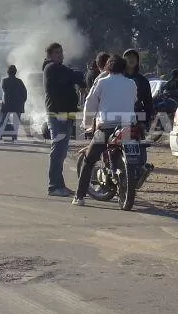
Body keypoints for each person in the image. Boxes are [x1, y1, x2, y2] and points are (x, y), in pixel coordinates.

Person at [73, 56, 139, 206]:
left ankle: (79, 196)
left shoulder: (102, 82)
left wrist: (87, 124)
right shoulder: (131, 83)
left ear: (107, 68)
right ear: (124, 68)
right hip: (128, 126)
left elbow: (90, 104)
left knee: (89, 160)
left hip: (107, 128)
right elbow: (134, 100)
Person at [44, 42, 87, 197]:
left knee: (61, 152)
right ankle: (54, 186)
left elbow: (74, 74)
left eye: (61, 52)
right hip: (58, 115)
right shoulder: (51, 68)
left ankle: (60, 185)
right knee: (58, 151)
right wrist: (80, 79)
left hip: (66, 114)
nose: (60, 55)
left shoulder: (61, 69)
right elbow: (73, 74)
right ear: (49, 56)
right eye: (56, 53)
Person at [0, 65, 27, 141]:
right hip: (17, 104)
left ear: (7, 72)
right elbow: (24, 92)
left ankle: (0, 135)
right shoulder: (19, 81)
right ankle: (14, 136)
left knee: (4, 120)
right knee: (16, 121)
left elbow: (3, 89)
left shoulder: (4, 81)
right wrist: (22, 101)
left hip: (7, 104)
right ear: (15, 72)